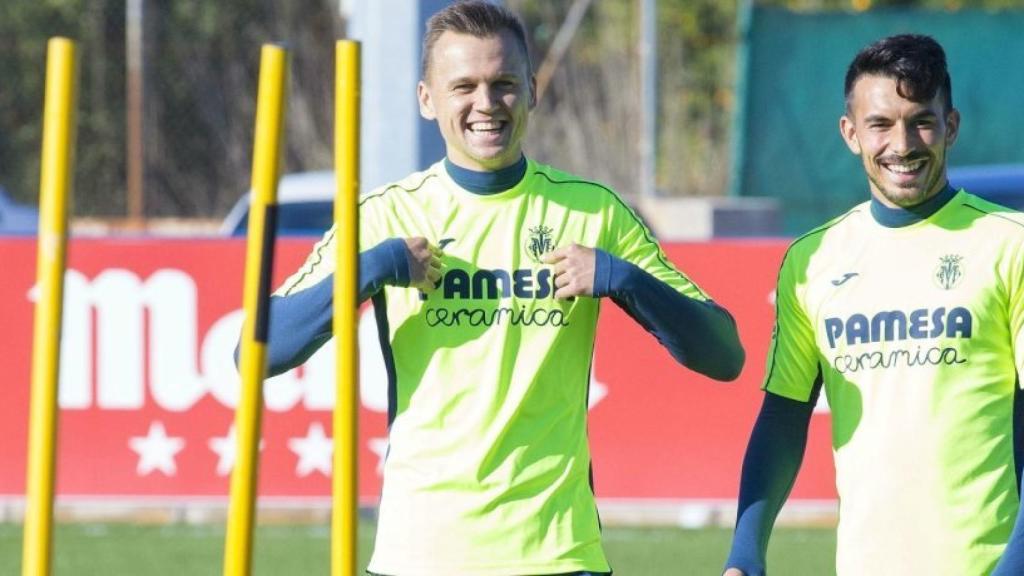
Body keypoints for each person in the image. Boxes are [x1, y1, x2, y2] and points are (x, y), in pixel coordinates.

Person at [255, 2, 745, 574]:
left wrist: (621, 277)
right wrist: (374, 267)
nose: (485, 104)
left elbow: (724, 354)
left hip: (559, 555)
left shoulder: (592, 212)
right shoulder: (385, 218)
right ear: (426, 99)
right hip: (421, 553)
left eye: (503, 83)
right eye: (463, 86)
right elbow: (259, 349)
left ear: (532, 91)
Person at [722, 34, 1024, 576]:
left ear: (951, 126)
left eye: (921, 121)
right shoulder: (811, 262)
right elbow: (783, 417)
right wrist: (746, 554)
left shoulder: (1010, 243)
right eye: (881, 124)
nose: (902, 143)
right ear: (851, 133)